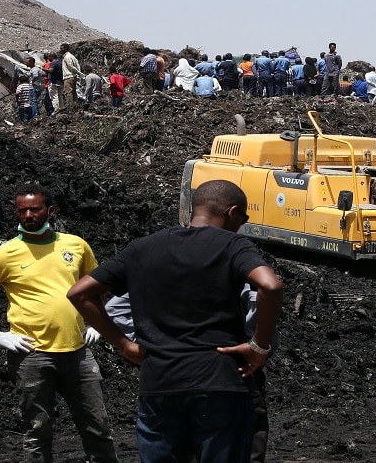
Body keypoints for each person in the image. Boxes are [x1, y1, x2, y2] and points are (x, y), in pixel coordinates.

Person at [67, 180, 282, 463]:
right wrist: (259, 346)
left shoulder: (142, 248)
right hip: (219, 381)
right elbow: (270, 286)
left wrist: (123, 344)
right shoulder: (233, 245)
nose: (242, 225)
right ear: (232, 212)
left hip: (159, 383)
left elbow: (79, 293)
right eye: (243, 218)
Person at [0, 185, 118, 463]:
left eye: (34, 209)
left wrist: (97, 324)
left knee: (98, 426)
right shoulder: (6, 253)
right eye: (22, 211)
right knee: (37, 430)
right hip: (32, 355)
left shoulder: (76, 246)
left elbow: (98, 286)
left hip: (77, 351)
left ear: (50, 211)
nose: (28, 215)